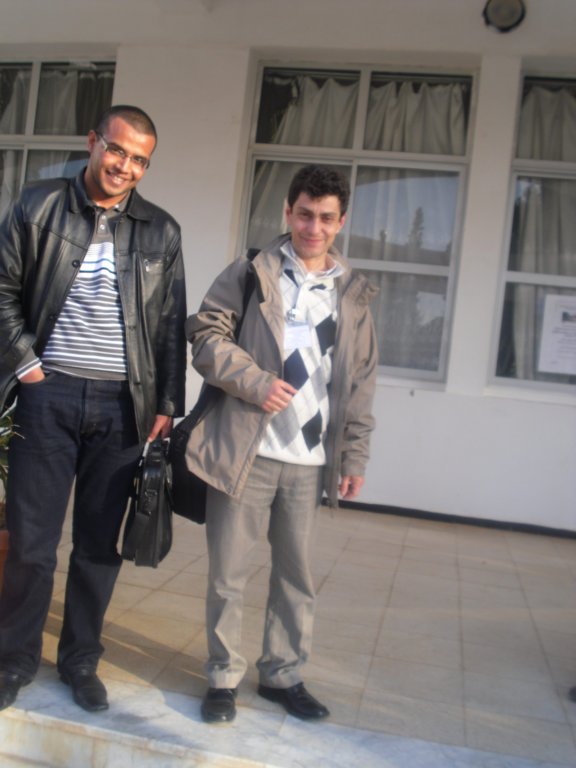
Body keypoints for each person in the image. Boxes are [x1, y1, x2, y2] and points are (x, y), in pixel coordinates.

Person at [0, 105, 186, 713]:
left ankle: (80, 660)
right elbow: (1, 288)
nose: (125, 166)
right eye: (118, 150)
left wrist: (167, 402)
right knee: (31, 543)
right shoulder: (39, 205)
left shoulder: (161, 230)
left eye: (140, 160)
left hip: (123, 407)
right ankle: (14, 658)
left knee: (98, 546)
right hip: (47, 396)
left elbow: (169, 323)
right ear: (93, 142)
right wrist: (26, 362)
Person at [186, 164, 378, 723]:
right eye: (304, 214)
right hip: (246, 452)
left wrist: (354, 454)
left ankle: (283, 675)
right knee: (228, 575)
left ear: (341, 221)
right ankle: (223, 677)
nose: (313, 228)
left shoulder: (352, 294)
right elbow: (205, 335)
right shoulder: (253, 271)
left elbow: (361, 381)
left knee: (296, 578)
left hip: (309, 460)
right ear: (288, 212)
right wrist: (255, 381)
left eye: (325, 218)